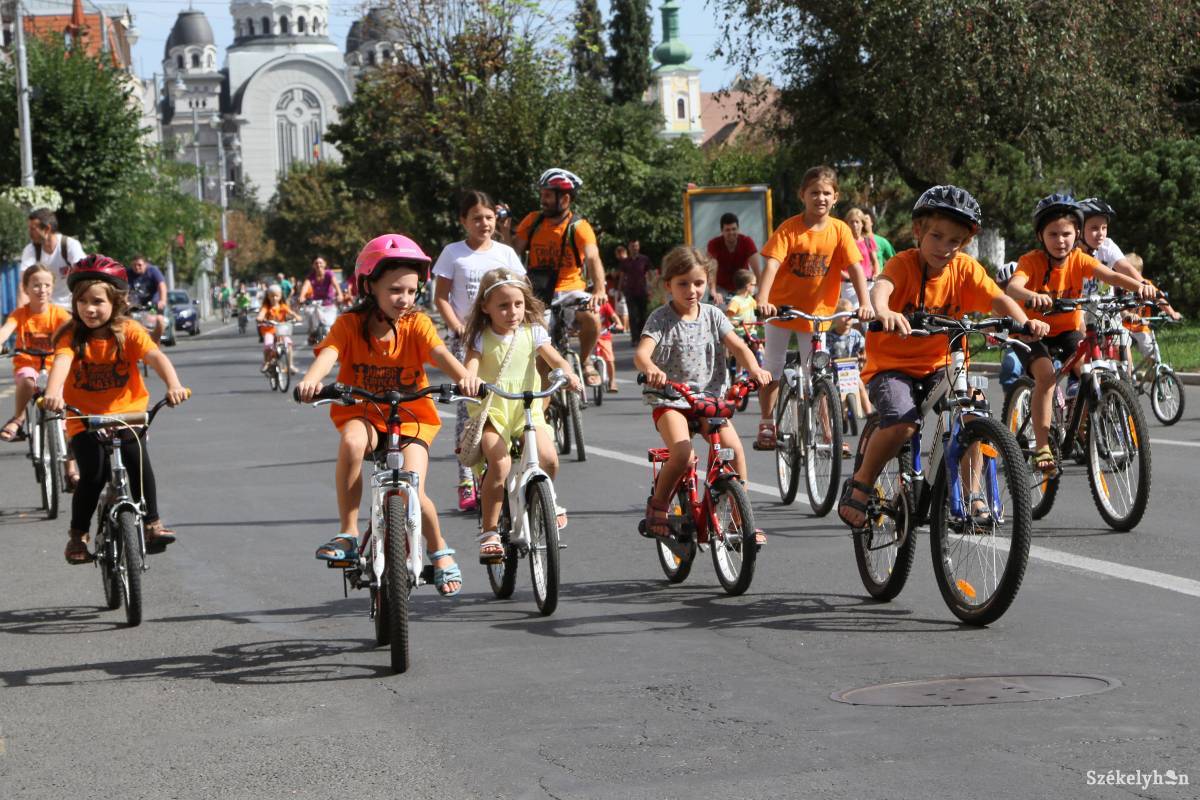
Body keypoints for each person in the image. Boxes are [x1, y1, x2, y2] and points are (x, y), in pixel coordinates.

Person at [837, 186, 1048, 528]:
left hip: (942, 365)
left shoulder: (964, 269)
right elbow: (882, 288)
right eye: (936, 236)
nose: (944, 247)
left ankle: (972, 494)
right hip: (893, 367)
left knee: (972, 410)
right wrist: (884, 311)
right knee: (903, 424)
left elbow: (998, 299)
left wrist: (1024, 323)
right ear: (918, 231)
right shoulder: (903, 264)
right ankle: (861, 483)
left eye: (955, 241)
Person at [295, 234, 473, 597]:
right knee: (351, 441)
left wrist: (465, 378)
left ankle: (439, 550)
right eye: (394, 290)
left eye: (410, 291)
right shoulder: (347, 325)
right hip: (363, 412)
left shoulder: (417, 324)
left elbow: (440, 355)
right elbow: (327, 355)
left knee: (413, 487)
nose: (404, 299)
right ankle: (347, 533)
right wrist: (311, 381)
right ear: (369, 285)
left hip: (412, 418)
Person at [41, 255, 189, 562]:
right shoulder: (71, 335)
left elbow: (156, 358)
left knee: (137, 461)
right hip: (84, 416)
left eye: (97, 301)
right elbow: (62, 362)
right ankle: (78, 536)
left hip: (128, 413)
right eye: (82, 301)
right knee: (92, 475)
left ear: (116, 302)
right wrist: (53, 393)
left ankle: (152, 522)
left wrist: (173, 384)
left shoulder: (129, 331)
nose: (89, 308)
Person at [1004, 193, 1157, 475]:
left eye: (1066, 234)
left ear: (1076, 235)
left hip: (1067, 331)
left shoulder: (1079, 259)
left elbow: (1110, 275)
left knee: (1086, 372)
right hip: (1034, 332)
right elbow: (1013, 289)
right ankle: (1042, 448)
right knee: (1047, 377)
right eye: (1053, 234)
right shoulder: (1031, 261)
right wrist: (1032, 296)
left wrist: (1141, 286)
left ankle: (1081, 427)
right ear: (1041, 235)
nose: (1060, 240)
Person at [635, 246, 770, 544]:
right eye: (682, 283)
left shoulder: (713, 316)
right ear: (668, 284)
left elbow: (739, 347)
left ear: (707, 282)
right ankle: (658, 505)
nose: (691, 290)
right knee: (683, 454)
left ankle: (739, 519)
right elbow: (642, 354)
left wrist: (755, 370)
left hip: (708, 401)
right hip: (670, 400)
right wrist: (651, 369)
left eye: (698, 283)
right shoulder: (660, 319)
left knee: (734, 450)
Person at [459, 269, 582, 563]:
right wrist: (468, 379)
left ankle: (544, 501)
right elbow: (470, 367)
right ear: (485, 308)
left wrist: (568, 372)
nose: (512, 311)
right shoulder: (480, 338)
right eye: (503, 305)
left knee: (549, 458)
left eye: (517, 304)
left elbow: (555, 358)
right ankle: (490, 531)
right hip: (494, 412)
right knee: (499, 465)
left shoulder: (533, 332)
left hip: (527, 409)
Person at [754, 165, 875, 450]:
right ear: (802, 195)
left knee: (819, 375)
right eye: (814, 192)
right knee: (772, 367)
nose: (820, 198)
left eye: (826, 193)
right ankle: (767, 423)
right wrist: (763, 299)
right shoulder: (790, 229)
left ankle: (830, 436)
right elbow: (771, 264)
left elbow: (856, 268)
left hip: (818, 314)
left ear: (836, 197)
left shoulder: (840, 230)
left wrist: (866, 302)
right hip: (782, 311)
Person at [432, 189, 525, 513]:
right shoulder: (453, 253)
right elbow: (441, 297)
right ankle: (467, 481)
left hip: (504, 338)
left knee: (511, 402)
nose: (484, 224)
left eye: (488, 217)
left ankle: (513, 474)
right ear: (463, 221)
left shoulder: (506, 253)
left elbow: (520, 294)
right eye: (476, 218)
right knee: (468, 408)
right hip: (466, 339)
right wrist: (458, 327)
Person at [514, 168, 607, 386]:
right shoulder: (532, 221)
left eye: (547, 195)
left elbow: (593, 257)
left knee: (592, 318)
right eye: (542, 194)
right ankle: (542, 398)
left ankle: (585, 362)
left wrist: (600, 289)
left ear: (564, 198)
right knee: (538, 337)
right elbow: (513, 252)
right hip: (539, 292)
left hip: (572, 289)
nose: (542, 200)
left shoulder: (579, 227)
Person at [0, 264, 72, 444]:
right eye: (36, 285)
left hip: (54, 369)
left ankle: (70, 469)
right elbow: (6, 330)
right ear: (25, 288)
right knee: (27, 379)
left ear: (53, 287)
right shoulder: (19, 314)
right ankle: (18, 418)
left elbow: (74, 328)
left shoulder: (59, 314)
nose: (42, 290)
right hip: (28, 365)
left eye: (47, 285)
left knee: (62, 413)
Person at [18, 208, 86, 308]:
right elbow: (24, 285)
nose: (29, 232)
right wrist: (21, 317)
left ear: (47, 229)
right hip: (46, 308)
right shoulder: (31, 250)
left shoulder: (69, 245)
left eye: (33, 229)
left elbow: (84, 275)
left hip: (71, 307)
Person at [825, 296, 872, 422]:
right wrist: (827, 359)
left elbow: (863, 346)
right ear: (835, 317)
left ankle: (869, 413)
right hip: (835, 371)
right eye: (843, 315)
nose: (848, 319)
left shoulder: (855, 335)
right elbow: (825, 350)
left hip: (851, 370)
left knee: (860, 385)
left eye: (850, 315)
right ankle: (842, 418)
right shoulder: (829, 336)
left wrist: (863, 354)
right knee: (835, 392)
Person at [706, 212, 761, 305]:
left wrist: (761, 291)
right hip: (721, 287)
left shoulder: (747, 242)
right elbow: (711, 269)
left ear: (738, 229)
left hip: (743, 286)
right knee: (716, 307)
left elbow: (757, 270)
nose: (731, 232)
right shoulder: (714, 244)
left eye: (734, 229)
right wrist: (713, 291)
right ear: (722, 231)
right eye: (727, 230)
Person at [256, 285, 302, 374]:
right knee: (268, 345)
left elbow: (291, 313)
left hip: (281, 331)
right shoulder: (266, 307)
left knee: (288, 344)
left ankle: (290, 365)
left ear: (280, 296)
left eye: (276, 296)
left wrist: (297, 317)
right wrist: (260, 317)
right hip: (269, 330)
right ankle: (266, 362)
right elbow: (261, 314)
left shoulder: (283, 306)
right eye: (271, 296)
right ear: (268, 296)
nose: (274, 298)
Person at [298, 256, 345, 342]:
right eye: (316, 263)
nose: (318, 265)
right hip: (316, 303)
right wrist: (302, 296)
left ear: (325, 264)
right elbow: (305, 286)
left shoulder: (329, 274)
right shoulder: (311, 277)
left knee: (330, 325)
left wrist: (340, 294)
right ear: (313, 265)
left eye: (320, 263)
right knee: (309, 312)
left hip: (329, 303)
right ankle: (312, 333)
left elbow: (336, 285)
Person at [127, 255, 169, 344]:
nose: (137, 267)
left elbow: (162, 285)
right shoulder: (128, 273)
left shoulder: (152, 271)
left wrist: (163, 300)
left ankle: (155, 342)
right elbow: (122, 289)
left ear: (145, 264)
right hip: (136, 305)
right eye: (134, 265)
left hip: (152, 305)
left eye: (139, 265)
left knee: (153, 320)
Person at [842, 207, 880, 307]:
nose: (854, 225)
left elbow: (875, 261)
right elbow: (834, 265)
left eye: (857, 222)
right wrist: (847, 276)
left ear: (862, 223)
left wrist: (876, 273)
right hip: (849, 285)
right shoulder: (843, 242)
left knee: (869, 316)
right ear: (847, 224)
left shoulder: (868, 241)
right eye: (852, 222)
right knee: (853, 317)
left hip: (868, 283)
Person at [618, 239, 654, 342]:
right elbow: (622, 276)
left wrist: (651, 287)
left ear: (638, 247)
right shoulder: (625, 262)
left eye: (636, 246)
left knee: (643, 315)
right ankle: (634, 338)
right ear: (629, 248)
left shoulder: (644, 259)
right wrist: (619, 290)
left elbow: (650, 274)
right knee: (632, 315)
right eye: (632, 246)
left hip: (642, 290)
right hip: (629, 291)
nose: (634, 248)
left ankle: (643, 337)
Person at [596, 295, 622, 393]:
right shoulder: (585, 304)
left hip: (604, 336)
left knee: (609, 358)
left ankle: (612, 381)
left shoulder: (604, 304)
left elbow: (614, 316)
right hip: (590, 337)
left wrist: (618, 324)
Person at [610, 244, 631, 332]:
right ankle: (627, 327)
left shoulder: (624, 262)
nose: (616, 256)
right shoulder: (629, 261)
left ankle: (625, 328)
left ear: (621, 253)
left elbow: (621, 277)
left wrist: (618, 290)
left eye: (617, 254)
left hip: (622, 289)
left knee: (623, 310)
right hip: (628, 289)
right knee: (624, 309)